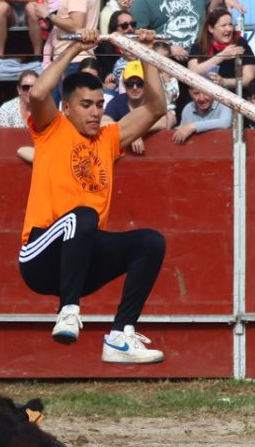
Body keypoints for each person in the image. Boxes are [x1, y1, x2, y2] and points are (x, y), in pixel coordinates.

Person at [20, 32, 170, 363]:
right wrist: (76, 47)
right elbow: (40, 92)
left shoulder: (108, 138)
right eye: (86, 105)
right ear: (67, 108)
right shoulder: (52, 128)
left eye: (100, 105)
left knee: (151, 242)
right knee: (84, 215)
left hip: (81, 262)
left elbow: (157, 107)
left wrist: (144, 54)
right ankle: (69, 311)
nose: (94, 113)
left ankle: (120, 336)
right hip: (39, 256)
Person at [191, 7, 255, 88]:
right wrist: (221, 56)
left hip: (234, 94)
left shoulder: (240, 43)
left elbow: (249, 78)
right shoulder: (199, 45)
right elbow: (192, 73)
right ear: (211, 28)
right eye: (223, 25)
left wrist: (224, 82)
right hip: (206, 94)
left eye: (230, 25)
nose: (228, 29)